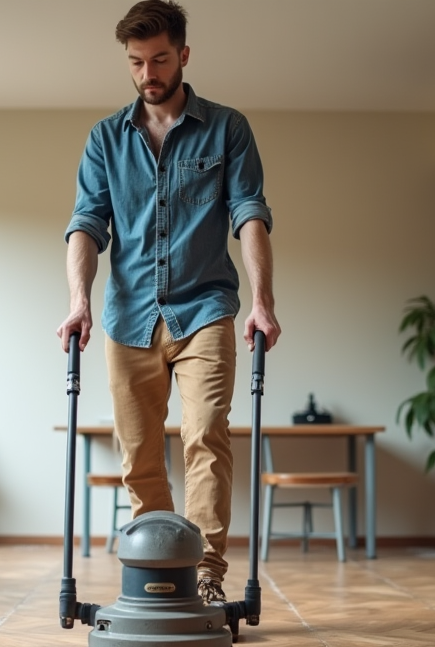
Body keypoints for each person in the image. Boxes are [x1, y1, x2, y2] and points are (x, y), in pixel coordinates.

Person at [57, 0, 279, 604]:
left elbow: (249, 214)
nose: (147, 73)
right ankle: (158, 573)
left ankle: (205, 576)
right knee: (140, 457)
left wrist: (262, 300)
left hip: (205, 307)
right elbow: (87, 223)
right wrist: (79, 300)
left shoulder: (227, 128)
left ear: (183, 55)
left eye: (159, 59)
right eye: (136, 62)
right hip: (128, 317)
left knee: (206, 433)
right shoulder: (106, 138)